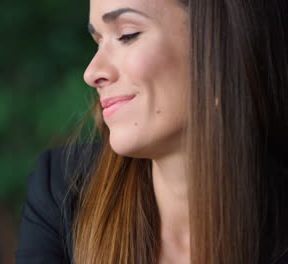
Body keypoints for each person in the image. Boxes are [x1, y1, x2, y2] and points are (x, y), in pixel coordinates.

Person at [16, 0, 288, 263]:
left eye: (127, 35)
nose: (92, 73)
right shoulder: (64, 193)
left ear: (220, 48)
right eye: (98, 41)